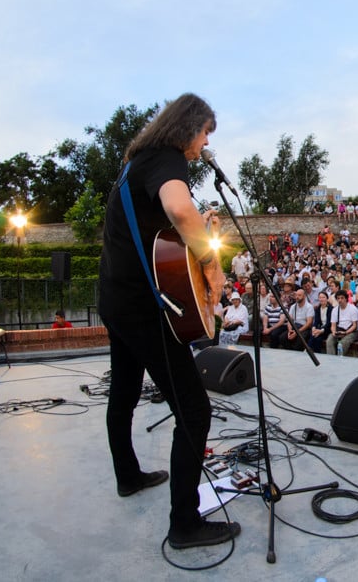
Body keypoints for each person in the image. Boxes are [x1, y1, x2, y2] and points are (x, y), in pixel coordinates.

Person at [98, 93, 237, 549]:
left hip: (115, 301)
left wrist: (199, 226)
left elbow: (163, 228)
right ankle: (185, 524)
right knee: (195, 410)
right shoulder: (165, 157)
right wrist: (212, 264)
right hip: (143, 308)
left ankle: (128, 475)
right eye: (204, 134)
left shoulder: (136, 163)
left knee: (124, 390)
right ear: (188, 128)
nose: (203, 146)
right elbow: (179, 209)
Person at [326, 290, 358, 355]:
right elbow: (333, 325)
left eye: (342, 298)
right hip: (339, 330)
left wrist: (345, 333)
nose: (340, 300)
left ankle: (339, 359)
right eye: (338, 298)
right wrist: (334, 332)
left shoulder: (352, 309)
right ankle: (331, 359)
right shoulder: (335, 310)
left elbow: (354, 325)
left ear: (346, 298)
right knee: (329, 341)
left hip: (351, 332)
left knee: (342, 344)